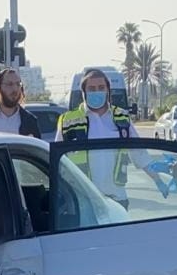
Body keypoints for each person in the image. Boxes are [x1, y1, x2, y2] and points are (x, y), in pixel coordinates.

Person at [55, 69, 159, 209]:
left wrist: (157, 179)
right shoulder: (68, 120)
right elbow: (58, 161)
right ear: (83, 92)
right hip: (83, 201)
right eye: (91, 89)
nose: (97, 92)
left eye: (101, 88)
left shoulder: (121, 118)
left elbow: (139, 154)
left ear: (108, 90)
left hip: (117, 200)